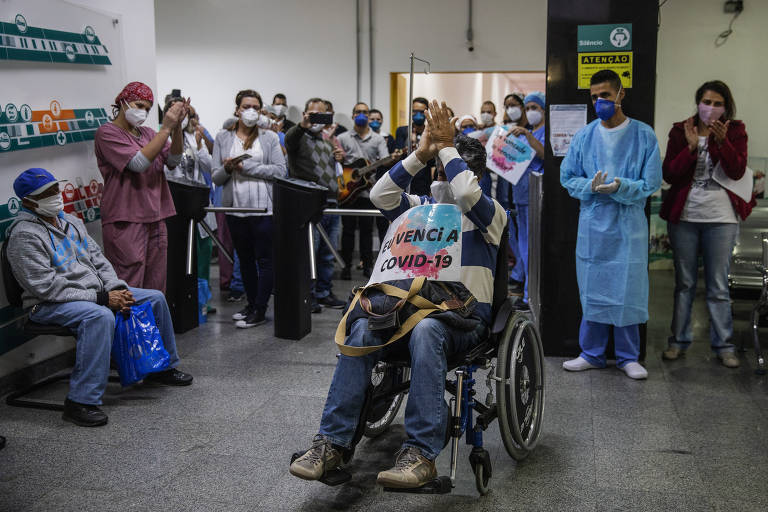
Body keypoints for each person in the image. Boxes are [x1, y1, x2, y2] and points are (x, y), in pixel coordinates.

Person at [290, 101, 507, 489]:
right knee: (359, 332)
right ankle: (332, 444)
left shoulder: (490, 215)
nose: (439, 176)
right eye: (437, 168)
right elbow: (381, 195)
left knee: (428, 331)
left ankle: (421, 454)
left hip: (462, 320)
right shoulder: (420, 209)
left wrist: (445, 148)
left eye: (445, 167)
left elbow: (467, 195)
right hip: (406, 311)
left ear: (470, 173)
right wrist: (421, 153)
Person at [7, 169, 193, 427]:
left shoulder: (71, 222)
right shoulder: (24, 235)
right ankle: (80, 401)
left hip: (95, 293)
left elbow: (99, 260)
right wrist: (103, 298)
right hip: (50, 304)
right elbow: (45, 288)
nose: (55, 197)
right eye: (46, 194)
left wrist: (117, 287)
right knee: (100, 316)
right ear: (28, 201)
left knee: (154, 298)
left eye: (54, 189)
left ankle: (162, 368)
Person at [560, 69, 662, 380]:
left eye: (605, 94)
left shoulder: (643, 135)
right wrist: (590, 186)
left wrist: (621, 187)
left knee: (627, 286)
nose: (600, 101)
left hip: (628, 226)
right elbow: (567, 177)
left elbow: (651, 182)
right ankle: (591, 353)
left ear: (621, 94)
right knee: (594, 285)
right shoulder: (585, 136)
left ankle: (628, 356)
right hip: (593, 226)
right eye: (594, 97)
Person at [660, 80, 752, 368]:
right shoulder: (680, 130)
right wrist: (689, 149)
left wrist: (722, 144)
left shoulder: (735, 131)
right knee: (684, 283)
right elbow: (671, 175)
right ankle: (678, 342)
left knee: (717, 285)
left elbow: (737, 171)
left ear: (726, 107)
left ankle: (723, 345)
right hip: (685, 217)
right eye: (706, 102)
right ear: (697, 102)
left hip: (721, 218)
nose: (710, 108)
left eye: (717, 103)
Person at [94, 81, 187, 292]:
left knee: (156, 282)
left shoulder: (147, 134)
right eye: (138, 105)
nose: (143, 111)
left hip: (155, 215)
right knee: (130, 281)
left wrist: (177, 128)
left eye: (147, 108)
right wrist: (166, 127)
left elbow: (173, 160)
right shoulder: (107, 133)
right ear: (123, 102)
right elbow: (137, 164)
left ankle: (151, 325)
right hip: (125, 220)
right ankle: (128, 326)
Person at [212, 89, 287, 328]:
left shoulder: (269, 138)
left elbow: (279, 170)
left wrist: (247, 168)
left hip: (264, 209)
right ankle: (251, 303)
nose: (250, 111)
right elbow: (216, 177)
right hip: (236, 209)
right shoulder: (223, 137)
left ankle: (261, 309)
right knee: (243, 260)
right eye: (246, 106)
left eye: (255, 106)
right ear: (237, 110)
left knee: (264, 260)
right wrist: (229, 168)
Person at [285, 98, 347, 310]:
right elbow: (289, 140)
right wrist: (301, 126)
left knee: (327, 254)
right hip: (309, 204)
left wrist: (338, 157)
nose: (317, 119)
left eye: (322, 114)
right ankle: (307, 295)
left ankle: (324, 291)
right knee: (309, 252)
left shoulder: (327, 139)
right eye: (312, 114)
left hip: (332, 202)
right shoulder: (298, 137)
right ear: (304, 115)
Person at [163, 100, 218, 315]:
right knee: (178, 255)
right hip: (175, 208)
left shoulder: (193, 140)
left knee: (202, 256)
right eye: (183, 113)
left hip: (197, 206)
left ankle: (201, 300)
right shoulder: (163, 137)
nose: (189, 118)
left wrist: (200, 143)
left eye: (191, 114)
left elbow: (210, 167)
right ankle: (180, 300)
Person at [336, 102, 391, 279]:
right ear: (353, 116)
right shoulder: (343, 137)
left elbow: (385, 160)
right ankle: (345, 266)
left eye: (364, 112)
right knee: (348, 230)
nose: (361, 115)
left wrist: (392, 159)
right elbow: (338, 163)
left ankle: (368, 266)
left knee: (367, 230)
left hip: (368, 190)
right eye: (358, 112)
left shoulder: (378, 139)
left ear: (368, 116)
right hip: (347, 190)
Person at [507, 92, 546, 303]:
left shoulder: (542, 133)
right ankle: (527, 292)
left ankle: (532, 295)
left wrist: (527, 136)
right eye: (528, 107)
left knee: (532, 247)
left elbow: (544, 154)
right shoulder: (527, 133)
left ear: (544, 110)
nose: (530, 112)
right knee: (524, 245)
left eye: (535, 108)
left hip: (534, 196)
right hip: (521, 195)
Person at [395, 97, 433, 196]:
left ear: (427, 112)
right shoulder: (402, 131)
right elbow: (398, 154)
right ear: (410, 112)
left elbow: (432, 161)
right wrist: (409, 142)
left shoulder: (431, 133)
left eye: (421, 111)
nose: (418, 114)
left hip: (423, 180)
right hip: (404, 177)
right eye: (415, 111)